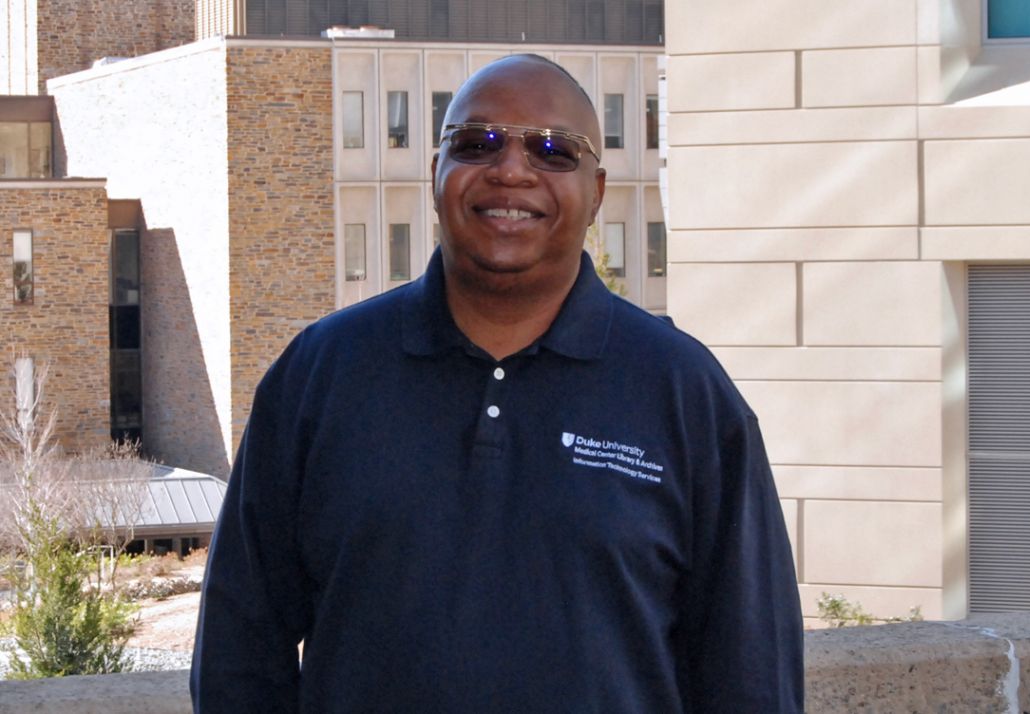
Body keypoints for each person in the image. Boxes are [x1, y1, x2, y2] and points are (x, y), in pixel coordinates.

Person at [191, 54, 803, 713]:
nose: (512, 170)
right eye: (476, 142)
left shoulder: (685, 394)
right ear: (436, 175)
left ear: (597, 192)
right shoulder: (320, 375)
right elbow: (238, 656)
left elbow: (751, 677)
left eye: (553, 150)